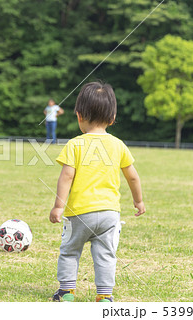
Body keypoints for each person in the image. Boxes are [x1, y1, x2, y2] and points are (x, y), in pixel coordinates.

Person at [49, 82, 145, 302]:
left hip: (80, 213)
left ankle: (66, 291)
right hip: (111, 214)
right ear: (112, 118)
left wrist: (58, 206)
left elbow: (67, 177)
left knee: (70, 250)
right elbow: (132, 176)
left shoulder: (75, 145)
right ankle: (104, 295)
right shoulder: (119, 145)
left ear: (79, 115)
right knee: (106, 255)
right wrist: (138, 201)